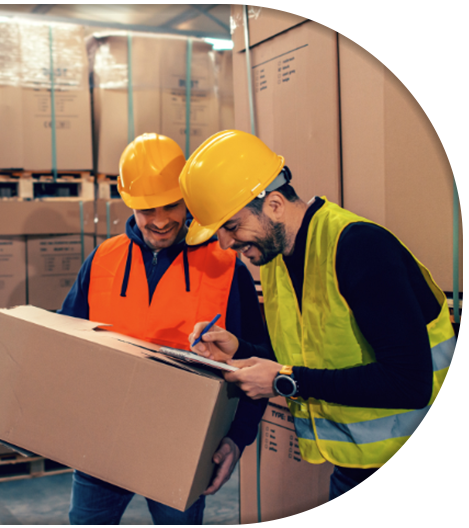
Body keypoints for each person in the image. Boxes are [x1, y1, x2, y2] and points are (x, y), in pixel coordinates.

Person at [181, 130, 463, 526]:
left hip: (425, 489)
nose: (226, 243)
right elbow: (309, 356)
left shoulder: (359, 248)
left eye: (231, 225)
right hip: (351, 480)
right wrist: (240, 350)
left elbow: (410, 383)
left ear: (274, 204)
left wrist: (282, 380)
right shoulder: (276, 259)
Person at [59, 133, 270, 525]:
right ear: (129, 204)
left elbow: (259, 358)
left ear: (186, 198)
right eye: (147, 209)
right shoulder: (103, 260)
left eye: (171, 205)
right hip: (102, 442)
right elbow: (65, 344)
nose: (160, 221)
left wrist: (237, 438)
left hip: (183, 445)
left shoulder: (225, 266)